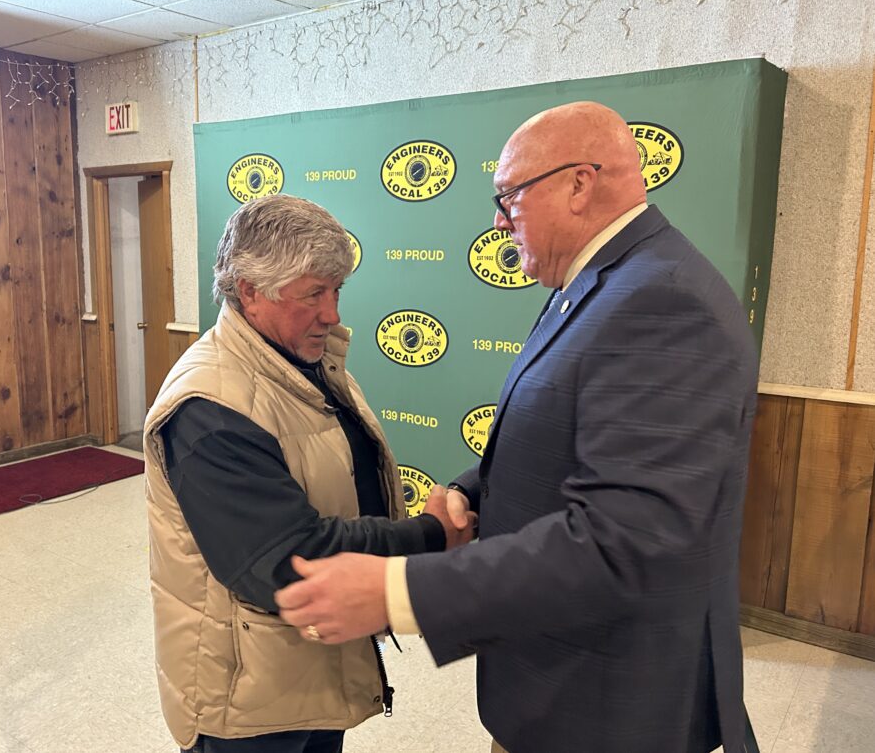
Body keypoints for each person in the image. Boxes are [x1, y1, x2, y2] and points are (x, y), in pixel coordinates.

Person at [275, 101, 759, 753]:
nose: (499, 222)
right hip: (558, 674)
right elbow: (565, 438)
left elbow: (623, 541)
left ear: (579, 183)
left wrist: (398, 593)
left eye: (509, 198)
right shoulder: (598, 284)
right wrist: (472, 491)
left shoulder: (660, 301)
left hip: (606, 703)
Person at [142, 193, 475, 753]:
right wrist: (429, 536)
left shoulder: (303, 362)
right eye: (314, 293)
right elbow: (286, 560)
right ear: (250, 290)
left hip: (307, 665)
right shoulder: (210, 408)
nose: (333, 313)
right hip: (247, 701)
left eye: (337, 290)